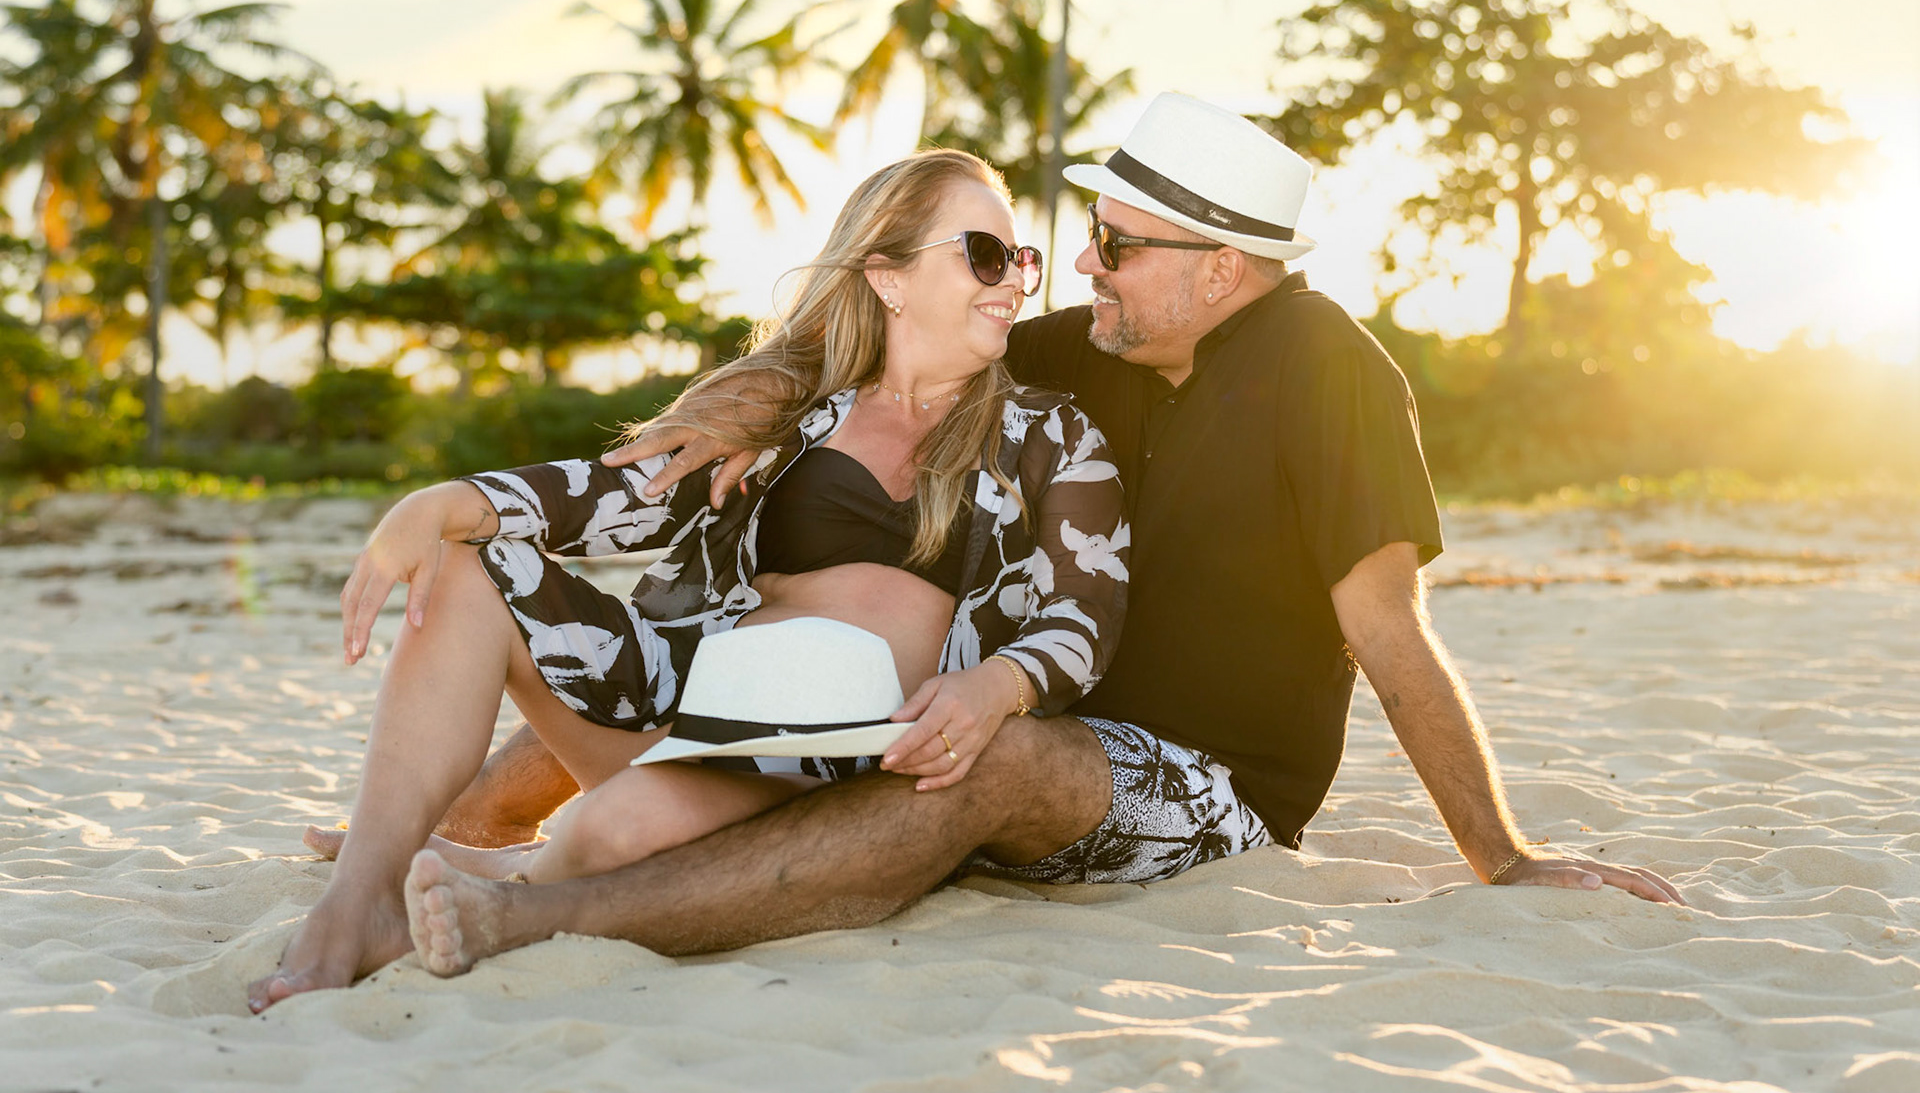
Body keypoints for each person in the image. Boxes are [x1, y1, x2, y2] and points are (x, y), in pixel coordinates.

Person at [394, 92, 1682, 981]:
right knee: (762, 635)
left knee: (989, 762)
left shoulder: (1332, 373)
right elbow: (862, 347)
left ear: (1221, 270)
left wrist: (1503, 856)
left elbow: (1390, 631)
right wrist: (733, 409)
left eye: (1117, 245)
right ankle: (477, 819)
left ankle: (545, 918)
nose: (1081, 266)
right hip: (1016, 698)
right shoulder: (1105, 337)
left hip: (1205, 782)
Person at [245, 149, 1131, 1012]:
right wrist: (447, 503)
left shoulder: (1047, 434)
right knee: (471, 566)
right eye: (983, 253)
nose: (1015, 277)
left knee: (606, 834)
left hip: (825, 762)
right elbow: (616, 496)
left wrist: (997, 683)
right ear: (888, 276)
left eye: (1023, 257)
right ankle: (357, 899)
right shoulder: (788, 416)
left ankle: (493, 874)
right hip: (689, 714)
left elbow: (1084, 615)